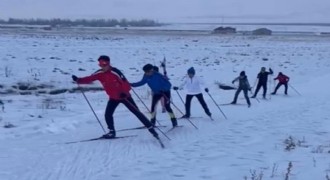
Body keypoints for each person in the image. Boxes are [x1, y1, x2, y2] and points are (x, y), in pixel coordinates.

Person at [71, 55, 159, 139]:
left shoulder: (115, 72)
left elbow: (126, 84)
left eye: (104, 64)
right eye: (100, 64)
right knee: (108, 114)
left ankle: (151, 129)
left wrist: (124, 92)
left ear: (108, 63)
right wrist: (78, 80)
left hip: (125, 97)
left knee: (137, 112)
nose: (102, 66)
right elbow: (89, 78)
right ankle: (111, 132)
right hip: (113, 98)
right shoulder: (99, 73)